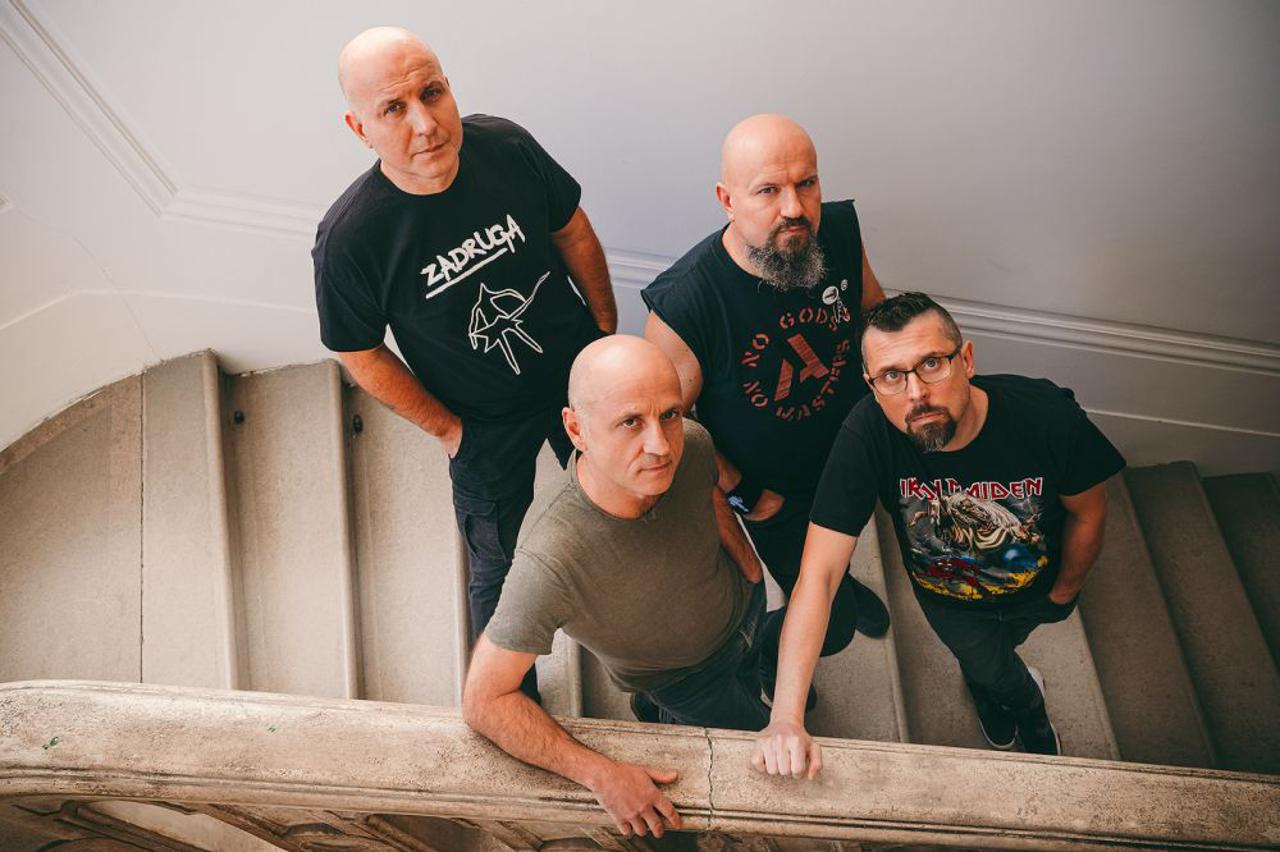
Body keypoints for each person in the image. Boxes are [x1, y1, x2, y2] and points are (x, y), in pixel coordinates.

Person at [312, 28, 617, 701]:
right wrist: (451, 432)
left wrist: (602, 332)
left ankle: (655, 670)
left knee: (630, 509)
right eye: (394, 108)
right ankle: (511, 696)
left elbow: (571, 228)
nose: (425, 124)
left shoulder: (505, 147)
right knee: (499, 567)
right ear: (359, 128)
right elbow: (359, 351)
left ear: (449, 89)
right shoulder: (352, 238)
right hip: (482, 423)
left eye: (432, 93)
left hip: (576, 375)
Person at [754, 292, 1125, 776]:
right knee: (991, 665)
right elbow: (819, 575)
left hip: (1038, 588)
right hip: (950, 603)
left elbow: (1089, 512)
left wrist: (1064, 591)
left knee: (997, 658)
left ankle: (991, 687)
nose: (915, 393)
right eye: (891, 376)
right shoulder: (868, 434)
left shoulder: (1045, 416)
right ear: (871, 386)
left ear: (966, 360)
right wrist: (785, 716)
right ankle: (1029, 709)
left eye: (931, 364)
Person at [463, 335, 770, 839]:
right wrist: (601, 774)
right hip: (683, 679)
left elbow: (706, 486)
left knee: (753, 668)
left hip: (743, 609)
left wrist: (748, 564)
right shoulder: (551, 559)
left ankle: (655, 711)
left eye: (669, 414)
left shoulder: (690, 443)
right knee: (759, 740)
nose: (660, 446)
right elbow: (485, 700)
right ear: (576, 429)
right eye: (630, 422)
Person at [642, 114, 890, 699]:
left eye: (807, 184)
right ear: (727, 199)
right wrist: (746, 496)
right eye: (768, 191)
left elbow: (874, 314)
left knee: (835, 568)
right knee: (831, 629)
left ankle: (841, 584)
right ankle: (759, 657)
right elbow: (672, 437)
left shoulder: (839, 230)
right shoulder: (686, 306)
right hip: (777, 494)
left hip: (851, 454)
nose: (794, 208)